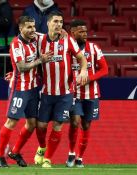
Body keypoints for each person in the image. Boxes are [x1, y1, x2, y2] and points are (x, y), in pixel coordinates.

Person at [0, 16, 53, 168]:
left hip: (32, 88)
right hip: (19, 88)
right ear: (20, 28)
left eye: (33, 26)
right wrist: (41, 60)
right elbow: (21, 67)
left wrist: (63, 32)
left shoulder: (35, 37)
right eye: (28, 27)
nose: (32, 30)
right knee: (12, 121)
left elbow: (52, 34)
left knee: (32, 123)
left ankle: (15, 151)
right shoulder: (16, 44)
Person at [33, 11, 88, 168]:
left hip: (65, 94)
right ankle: (42, 147)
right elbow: (22, 30)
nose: (58, 24)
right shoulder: (39, 39)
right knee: (41, 126)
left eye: (61, 22)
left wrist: (83, 70)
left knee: (58, 125)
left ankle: (48, 159)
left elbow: (82, 59)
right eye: (55, 21)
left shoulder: (68, 40)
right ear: (48, 23)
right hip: (46, 92)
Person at [66, 19, 108, 168]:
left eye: (85, 31)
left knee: (86, 125)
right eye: (81, 32)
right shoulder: (68, 49)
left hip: (92, 94)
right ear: (73, 33)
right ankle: (71, 153)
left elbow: (105, 69)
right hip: (74, 94)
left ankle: (80, 157)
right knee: (74, 122)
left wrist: (89, 78)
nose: (85, 34)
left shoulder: (94, 48)